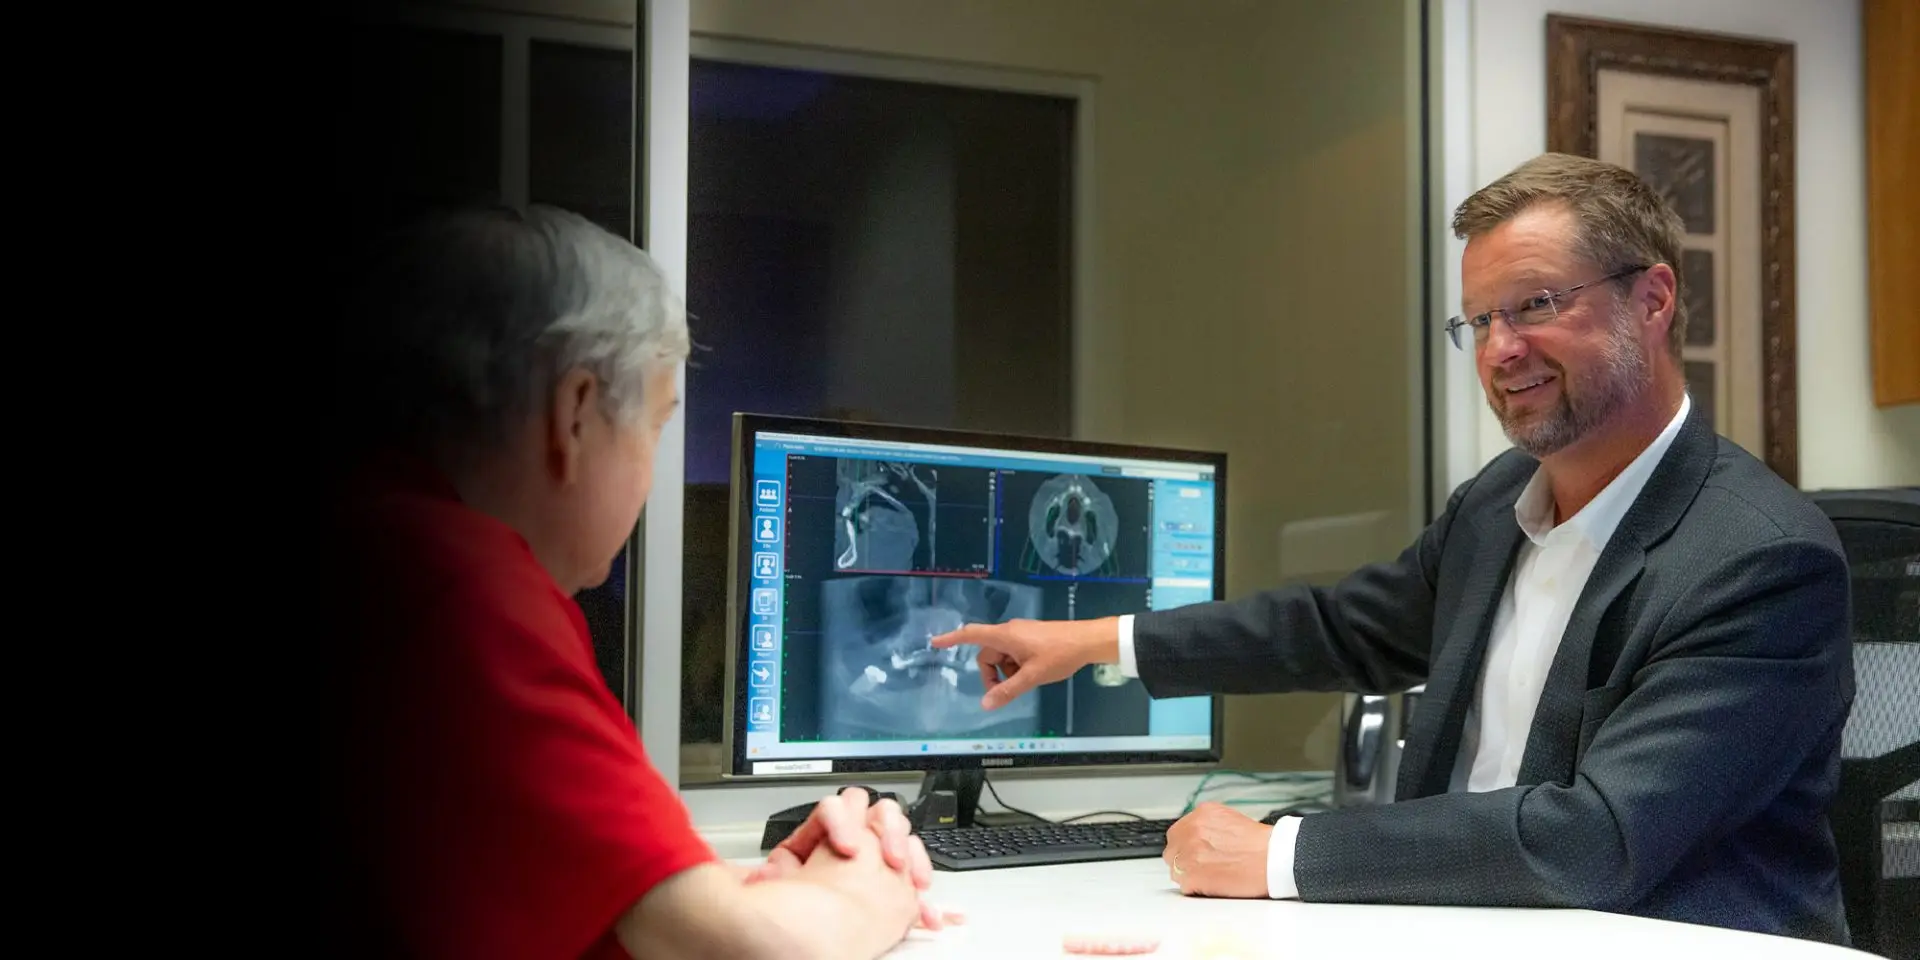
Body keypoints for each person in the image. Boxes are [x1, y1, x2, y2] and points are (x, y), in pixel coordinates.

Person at [931, 153, 1854, 944]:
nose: (1499, 350)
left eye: (1532, 304)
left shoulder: (1760, 560)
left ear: (1651, 300)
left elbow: (1598, 840)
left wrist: (1284, 851)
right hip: (1463, 926)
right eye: (1479, 321)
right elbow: (1342, 630)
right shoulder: (1498, 504)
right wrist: (1096, 643)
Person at [321, 204, 954, 959]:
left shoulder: (381, 549)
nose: (655, 475)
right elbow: (765, 955)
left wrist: (723, 892)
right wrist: (867, 886)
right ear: (577, 413)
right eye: (657, 425)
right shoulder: (463, 590)